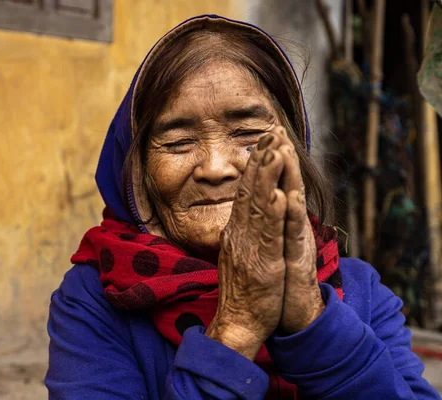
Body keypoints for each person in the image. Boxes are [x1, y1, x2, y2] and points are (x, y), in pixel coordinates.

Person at [45, 15, 441, 399]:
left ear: (294, 153)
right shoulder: (94, 298)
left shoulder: (359, 291)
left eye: (249, 134)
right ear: (136, 171)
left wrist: (309, 315)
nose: (216, 168)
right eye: (179, 142)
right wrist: (237, 326)